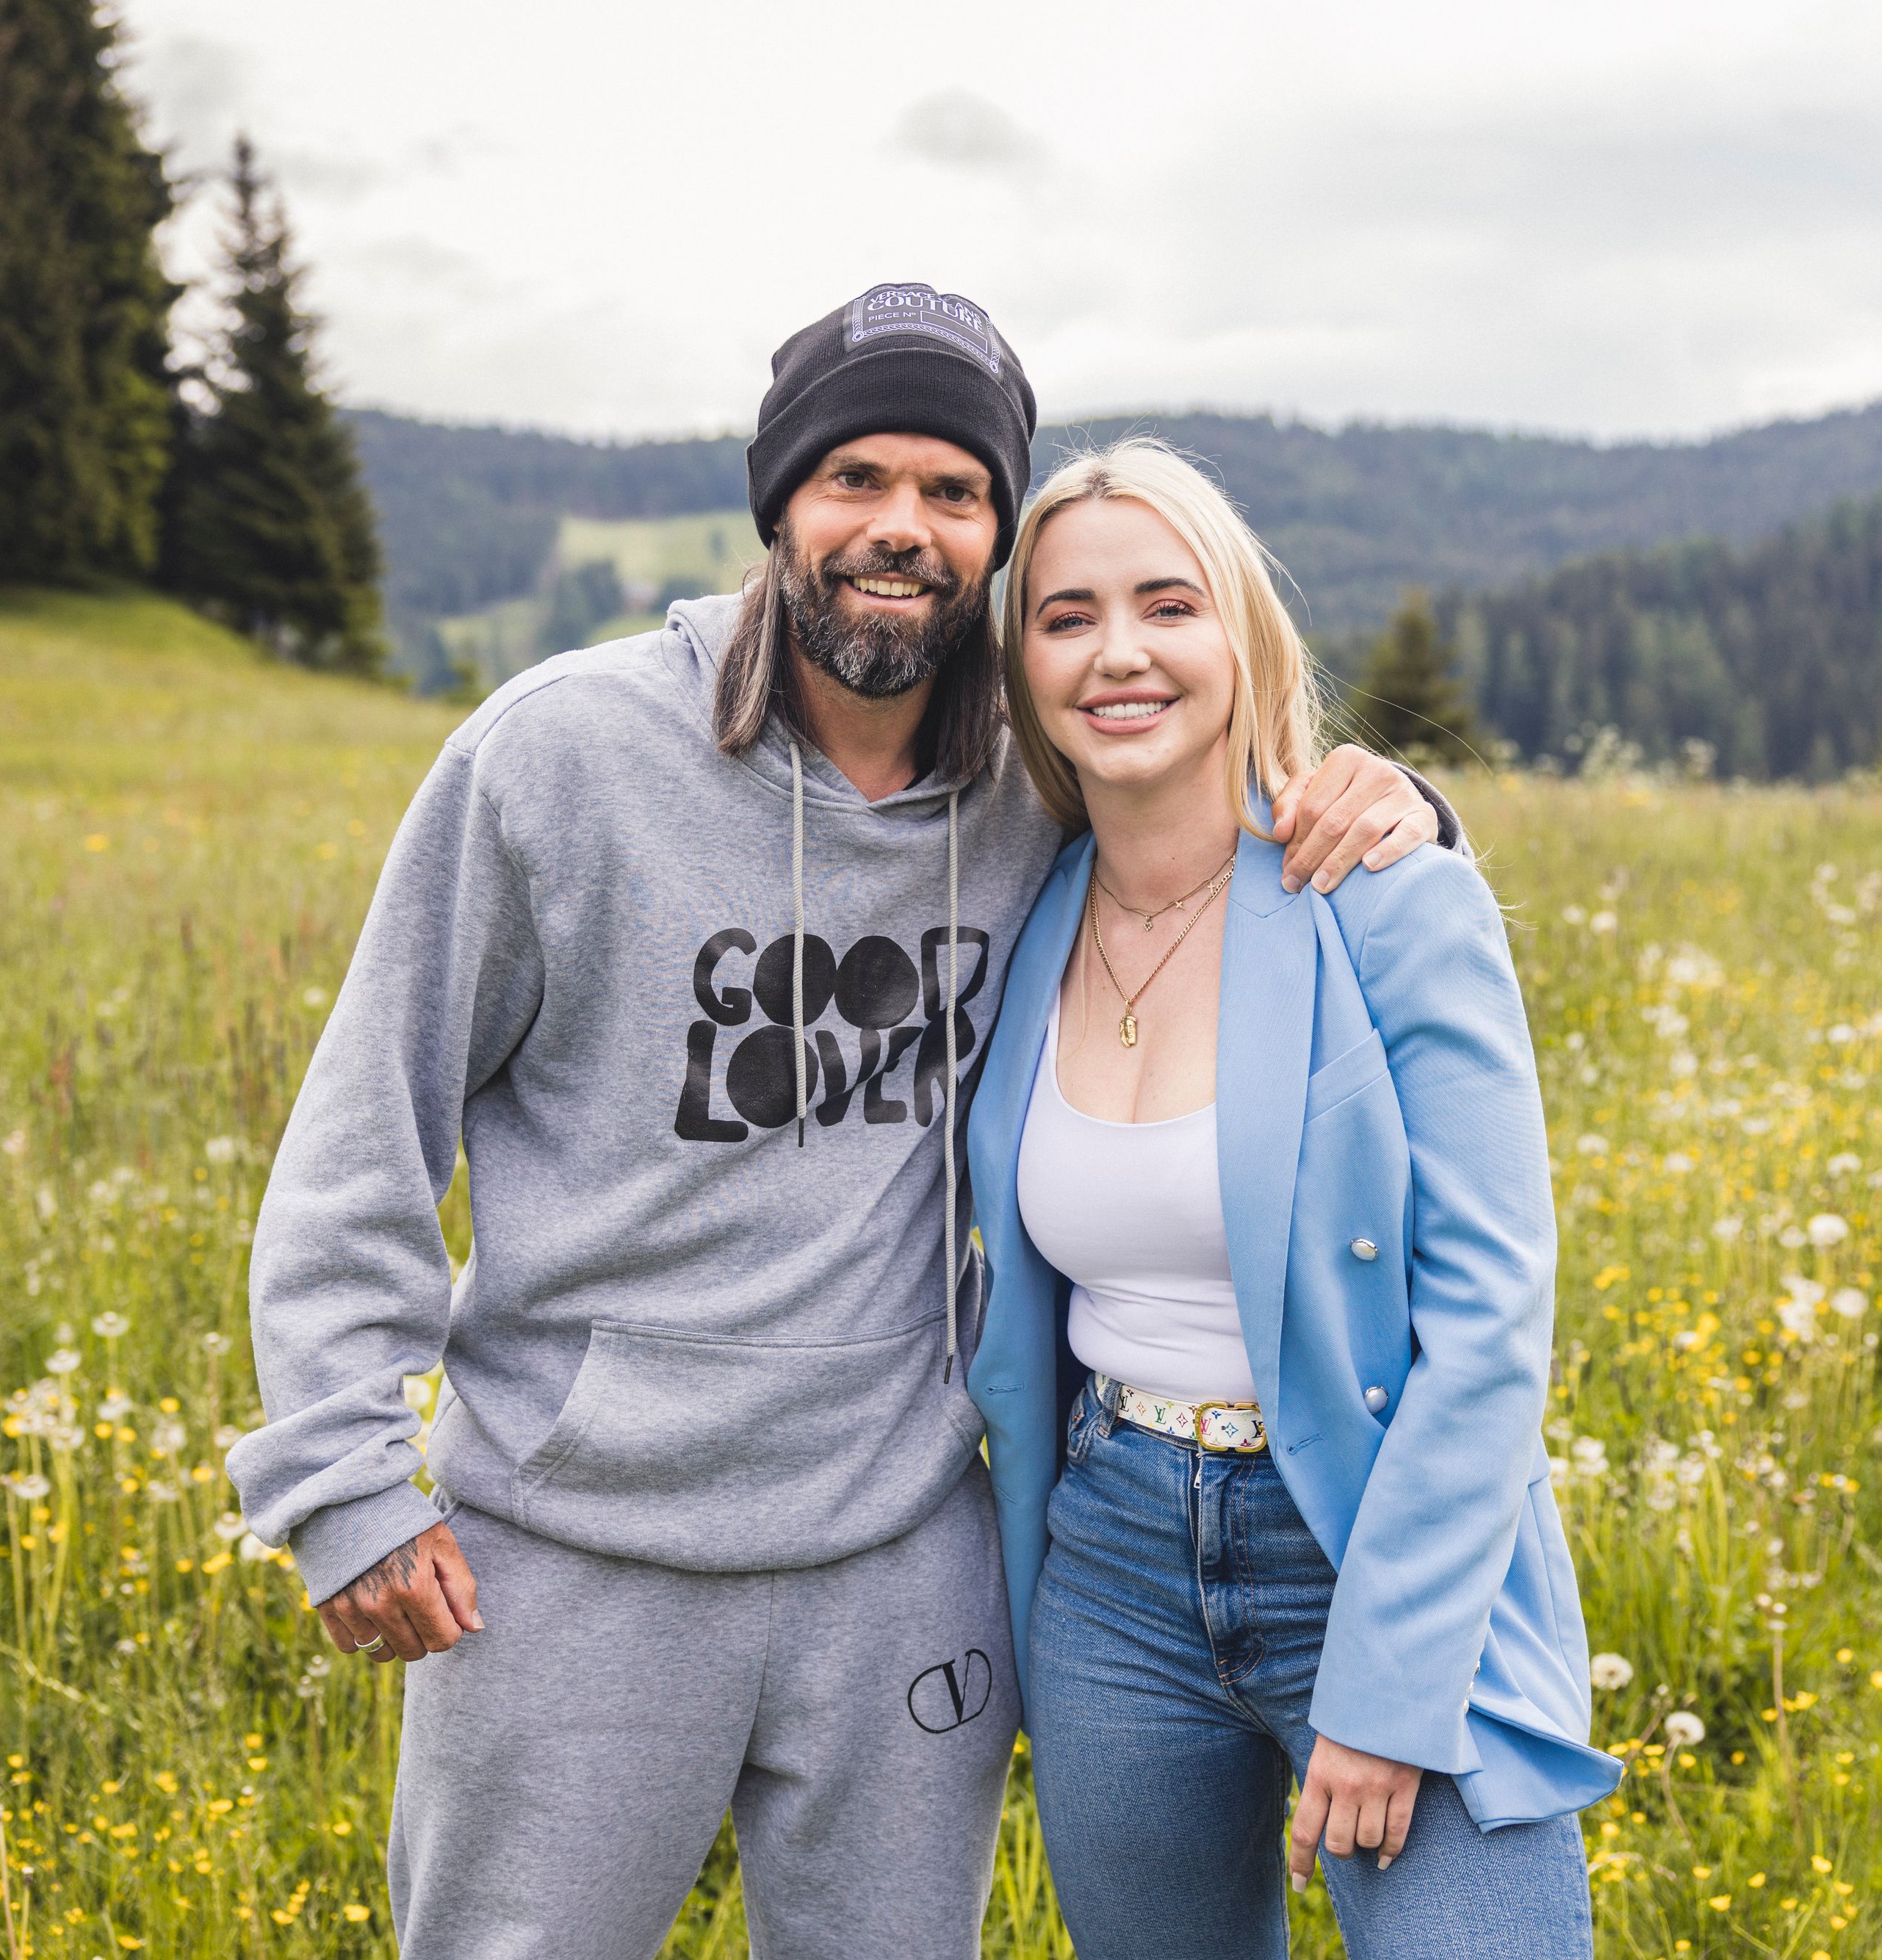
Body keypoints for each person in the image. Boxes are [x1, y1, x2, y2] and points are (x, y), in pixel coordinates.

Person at [224, 286, 1459, 1960]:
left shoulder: (1039, 794)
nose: (903, 527)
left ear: (994, 537)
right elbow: (362, 1128)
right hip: (577, 1557)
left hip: (898, 1555)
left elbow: (1222, 810)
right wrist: (341, 1474)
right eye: (856, 478)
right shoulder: (558, 759)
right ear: (779, 505)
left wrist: (1400, 800)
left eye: (954, 493)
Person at [963, 438, 1621, 1960]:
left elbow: (1488, 1320)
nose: (1116, 650)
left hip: (1378, 1542)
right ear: (1024, 669)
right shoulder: (1019, 905)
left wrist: (1389, 1685)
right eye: (1063, 616)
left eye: (1164, 604)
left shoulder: (1386, 897)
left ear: (1241, 637)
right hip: (1111, 1564)